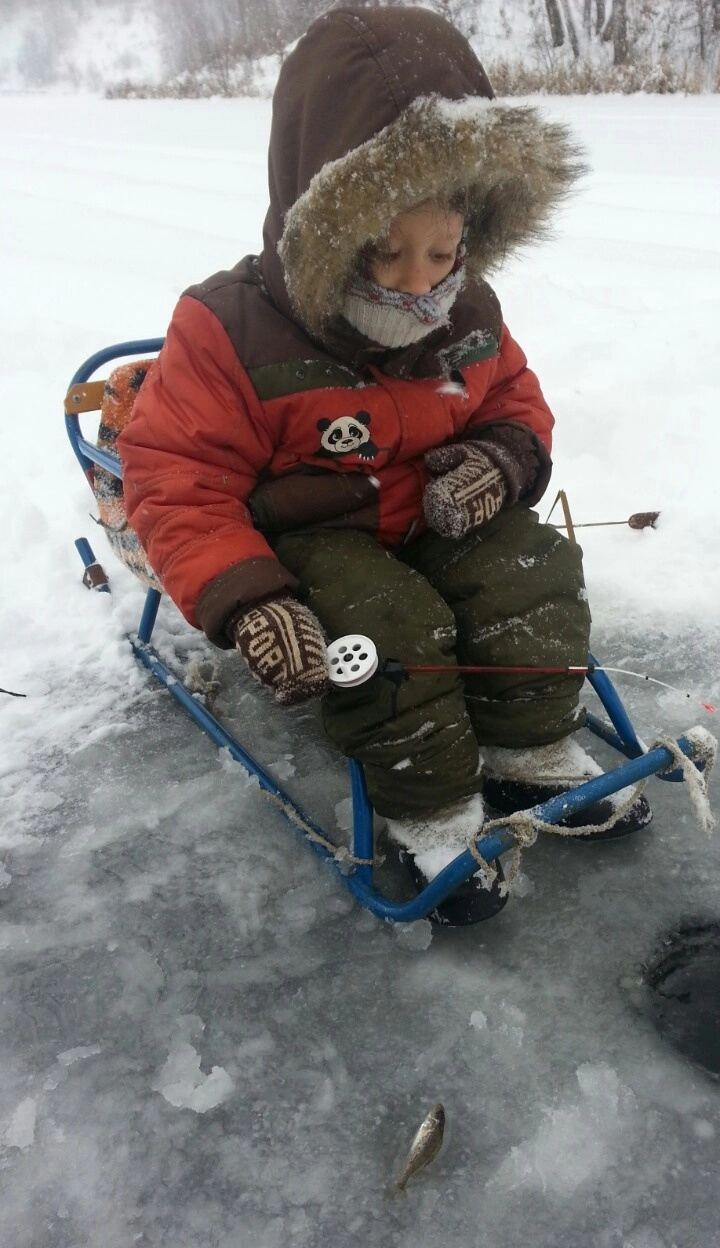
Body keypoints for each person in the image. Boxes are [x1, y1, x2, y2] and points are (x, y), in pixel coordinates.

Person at [119, 4, 650, 926]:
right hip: (311, 536)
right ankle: (432, 806)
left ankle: (528, 748)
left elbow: (514, 397)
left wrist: (499, 458)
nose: (417, 284)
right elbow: (174, 477)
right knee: (388, 626)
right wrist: (250, 598)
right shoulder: (226, 331)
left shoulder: (465, 308)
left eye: (441, 252)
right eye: (384, 252)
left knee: (528, 568)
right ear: (322, 226)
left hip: (433, 513)